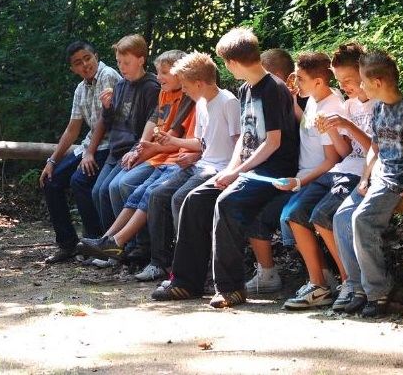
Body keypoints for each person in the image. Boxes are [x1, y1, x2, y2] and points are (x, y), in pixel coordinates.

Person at [192, 27, 298, 308]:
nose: (227, 68)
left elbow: (273, 142)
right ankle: (190, 279)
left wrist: (237, 173)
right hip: (251, 167)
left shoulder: (274, 88)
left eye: (226, 63)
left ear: (233, 62)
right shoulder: (244, 89)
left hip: (275, 169)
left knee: (226, 204)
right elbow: (246, 139)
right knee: (202, 198)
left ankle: (230, 289)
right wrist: (230, 168)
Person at [332, 50, 403, 317]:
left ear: (377, 82)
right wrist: (365, 177)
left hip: (397, 179)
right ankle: (357, 288)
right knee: (342, 217)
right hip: (377, 175)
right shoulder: (378, 107)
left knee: (362, 220)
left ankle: (378, 291)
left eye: (363, 81)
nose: (360, 87)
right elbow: (374, 148)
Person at [135, 51, 240, 295]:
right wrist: (172, 140)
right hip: (202, 164)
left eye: (185, 85)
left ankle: (191, 272)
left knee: (180, 198)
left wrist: (232, 172)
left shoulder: (227, 102)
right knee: (159, 194)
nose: (183, 90)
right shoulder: (202, 103)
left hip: (219, 167)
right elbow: (201, 142)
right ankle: (166, 264)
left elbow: (238, 143)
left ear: (200, 83)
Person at [76, 50, 195, 263]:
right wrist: (140, 149)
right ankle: (110, 243)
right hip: (151, 154)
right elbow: (154, 121)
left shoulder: (186, 97)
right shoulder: (162, 91)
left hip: (169, 158)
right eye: (158, 72)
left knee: (129, 186)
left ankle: (138, 248)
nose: (159, 78)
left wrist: (144, 150)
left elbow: (173, 139)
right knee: (112, 187)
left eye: (164, 73)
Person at [39, 41, 121, 264]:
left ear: (96, 55)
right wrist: (52, 161)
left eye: (87, 58)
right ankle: (68, 244)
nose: (85, 65)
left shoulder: (108, 75)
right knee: (51, 180)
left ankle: (95, 243)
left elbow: (105, 120)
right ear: (72, 68)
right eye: (78, 63)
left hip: (111, 146)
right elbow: (72, 128)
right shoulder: (81, 88)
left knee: (80, 181)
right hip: (89, 147)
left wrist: (90, 153)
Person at [308, 43, 376, 311]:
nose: (344, 86)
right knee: (303, 212)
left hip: (367, 173)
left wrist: (347, 125)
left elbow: (378, 148)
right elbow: (346, 151)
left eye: (348, 80)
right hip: (345, 168)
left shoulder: (381, 103)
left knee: (327, 215)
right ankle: (338, 281)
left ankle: (352, 282)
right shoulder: (348, 106)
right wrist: (331, 129)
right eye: (340, 82)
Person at [276, 52, 344, 308]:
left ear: (318, 81)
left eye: (300, 78)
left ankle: (323, 283)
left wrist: (299, 181)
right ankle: (321, 278)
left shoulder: (331, 106)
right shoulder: (315, 99)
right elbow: (306, 125)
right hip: (305, 175)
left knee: (294, 213)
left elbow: (332, 159)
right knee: (287, 214)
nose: (296, 81)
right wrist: (294, 99)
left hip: (321, 176)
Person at [90, 34, 160, 233]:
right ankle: (106, 243)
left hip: (133, 148)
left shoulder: (151, 87)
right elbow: (110, 123)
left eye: (126, 62)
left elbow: (152, 125)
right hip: (116, 149)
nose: (121, 67)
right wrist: (107, 107)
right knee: (97, 192)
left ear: (141, 60)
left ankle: (125, 243)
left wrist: (137, 149)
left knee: (111, 189)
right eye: (119, 62)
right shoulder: (120, 85)